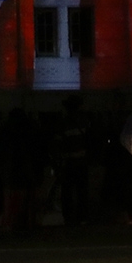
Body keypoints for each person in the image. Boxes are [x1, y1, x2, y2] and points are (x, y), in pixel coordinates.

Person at [55, 95, 90, 225]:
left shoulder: (64, 123)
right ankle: (82, 217)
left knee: (67, 192)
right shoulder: (84, 122)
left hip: (69, 162)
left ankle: (68, 218)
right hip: (82, 162)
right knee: (82, 191)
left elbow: (58, 144)